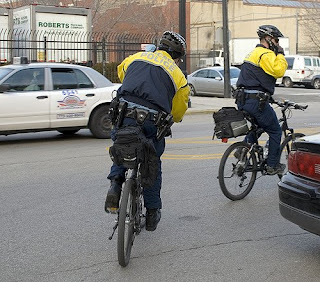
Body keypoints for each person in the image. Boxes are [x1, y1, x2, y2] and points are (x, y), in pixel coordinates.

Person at [105, 31, 190, 231]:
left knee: (121, 144)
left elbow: (122, 72)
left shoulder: (136, 57)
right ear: (177, 57)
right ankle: (152, 211)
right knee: (152, 160)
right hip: (151, 121)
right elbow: (178, 112)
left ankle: (115, 185)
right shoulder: (178, 76)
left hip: (123, 113)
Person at [234, 24, 288, 175]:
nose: (278, 43)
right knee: (276, 131)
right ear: (268, 39)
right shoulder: (266, 54)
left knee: (260, 125)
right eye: (276, 40)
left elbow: (256, 79)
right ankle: (272, 166)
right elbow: (279, 71)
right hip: (255, 101)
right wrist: (281, 54)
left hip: (243, 100)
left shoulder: (252, 53)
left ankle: (243, 148)